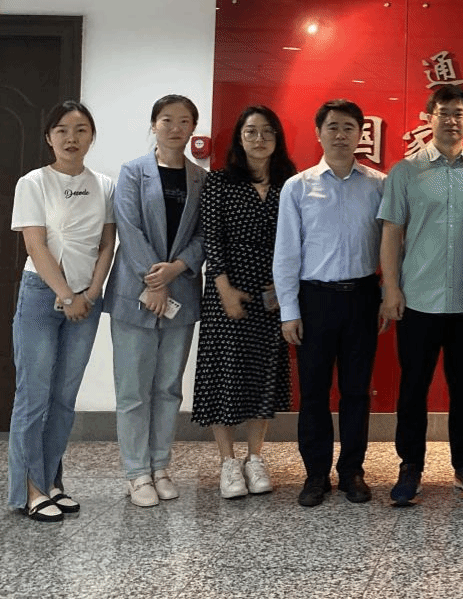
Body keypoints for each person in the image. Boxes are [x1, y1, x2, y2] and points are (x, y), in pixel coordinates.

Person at [380, 84, 463, 506]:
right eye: (443, 112)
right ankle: (410, 466)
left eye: (459, 113)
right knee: (413, 388)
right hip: (418, 301)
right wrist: (391, 288)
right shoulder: (405, 172)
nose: (451, 120)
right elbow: (391, 233)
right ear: (429, 117)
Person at [274, 99, 386, 508]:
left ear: (361, 134)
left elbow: (392, 247)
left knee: (357, 391)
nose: (341, 135)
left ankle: (352, 471)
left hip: (362, 297)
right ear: (319, 133)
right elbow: (286, 253)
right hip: (315, 299)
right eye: (333, 127)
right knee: (315, 393)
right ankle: (316, 474)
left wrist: (387, 296)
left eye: (349, 127)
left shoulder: (379, 185)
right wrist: (289, 311)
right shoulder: (298, 186)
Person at [8, 101, 117, 521]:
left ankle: (52, 481)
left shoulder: (104, 185)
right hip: (42, 294)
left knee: (64, 398)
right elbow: (35, 245)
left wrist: (91, 292)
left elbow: (106, 244)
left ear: (92, 136)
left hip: (87, 299)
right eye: (62, 130)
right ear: (49, 137)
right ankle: (30, 489)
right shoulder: (33, 182)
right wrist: (67, 296)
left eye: (81, 129)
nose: (72, 138)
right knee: (33, 397)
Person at [106, 94, 206, 508]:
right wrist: (155, 279)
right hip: (136, 293)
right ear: (153, 125)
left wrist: (175, 269)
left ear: (193, 128)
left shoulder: (201, 178)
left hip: (180, 292)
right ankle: (136, 472)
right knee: (133, 390)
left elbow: (204, 234)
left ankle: (160, 466)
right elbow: (128, 229)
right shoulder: (133, 172)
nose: (175, 128)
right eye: (167, 120)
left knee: (168, 388)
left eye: (184, 121)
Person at [191, 106, 297, 499]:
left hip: (274, 293)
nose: (259, 138)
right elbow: (212, 238)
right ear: (239, 137)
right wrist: (224, 289)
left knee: (262, 374)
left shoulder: (290, 183)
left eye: (267, 131)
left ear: (277, 137)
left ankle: (255, 458)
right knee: (225, 374)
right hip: (228, 290)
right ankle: (227, 463)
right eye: (251, 131)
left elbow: (298, 240)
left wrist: (286, 288)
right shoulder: (219, 182)